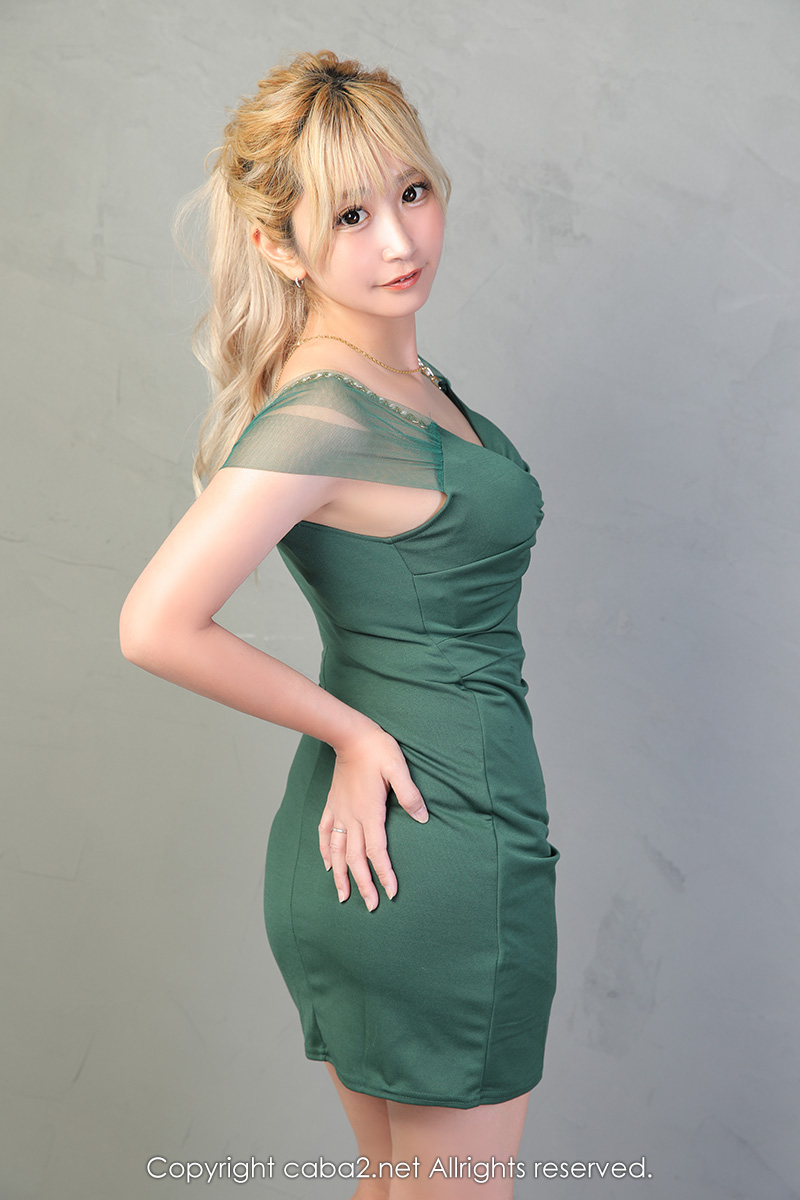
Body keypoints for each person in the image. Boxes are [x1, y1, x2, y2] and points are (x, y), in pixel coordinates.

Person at [119, 50, 559, 1199]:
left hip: (394, 841)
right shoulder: (328, 413)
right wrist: (355, 733)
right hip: (431, 843)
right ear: (280, 245)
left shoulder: (394, 383)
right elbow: (156, 623)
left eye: (411, 193)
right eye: (350, 215)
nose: (398, 240)